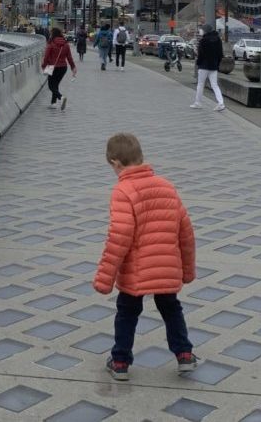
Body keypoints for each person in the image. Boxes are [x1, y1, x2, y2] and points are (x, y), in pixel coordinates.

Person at [93, 133, 197, 382]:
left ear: (115, 163)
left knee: (127, 312)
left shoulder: (123, 191)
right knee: (171, 309)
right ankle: (184, 354)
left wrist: (104, 279)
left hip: (136, 270)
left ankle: (120, 361)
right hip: (166, 266)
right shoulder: (166, 186)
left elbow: (120, 236)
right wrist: (187, 270)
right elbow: (186, 232)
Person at [41, 26, 77, 109]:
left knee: (51, 85)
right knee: (56, 85)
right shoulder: (66, 44)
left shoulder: (51, 44)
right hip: (63, 67)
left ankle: (61, 97)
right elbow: (69, 57)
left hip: (52, 67)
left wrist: (43, 66)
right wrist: (73, 67)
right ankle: (53, 103)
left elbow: (46, 57)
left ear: (53, 34)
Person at [191, 26, 226, 111]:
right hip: (213, 66)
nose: (201, 32)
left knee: (200, 84)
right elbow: (220, 54)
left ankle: (198, 103)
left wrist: (198, 62)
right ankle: (221, 103)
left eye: (202, 30)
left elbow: (201, 54)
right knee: (215, 85)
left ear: (205, 31)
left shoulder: (203, 40)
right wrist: (217, 64)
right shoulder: (218, 40)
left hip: (204, 65)